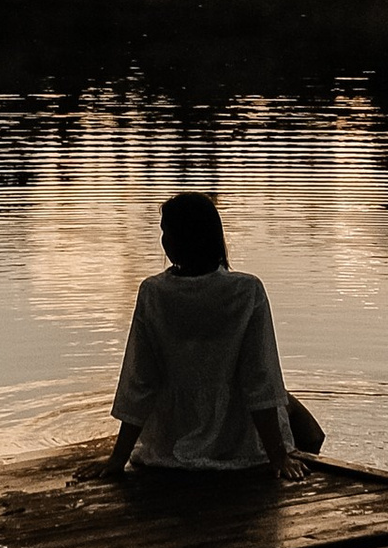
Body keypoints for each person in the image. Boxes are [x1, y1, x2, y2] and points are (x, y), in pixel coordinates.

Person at [106, 190, 320, 483]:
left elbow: (140, 381)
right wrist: (278, 456)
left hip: (174, 437)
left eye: (165, 233)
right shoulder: (247, 291)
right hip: (235, 439)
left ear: (176, 242)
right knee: (309, 429)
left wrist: (118, 459)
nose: (163, 241)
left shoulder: (153, 292)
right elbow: (260, 378)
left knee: (286, 404)